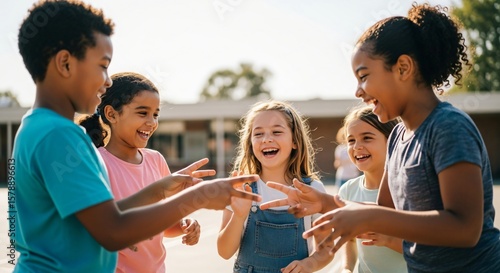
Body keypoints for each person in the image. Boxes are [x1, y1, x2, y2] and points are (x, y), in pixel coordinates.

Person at [12, 1, 260, 272]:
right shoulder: (59, 136)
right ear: (65, 63)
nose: (107, 81)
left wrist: (159, 190)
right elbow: (113, 231)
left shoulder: (37, 126)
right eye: (103, 66)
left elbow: (106, 216)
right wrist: (199, 196)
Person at [262, 3, 500, 272]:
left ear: (403, 68)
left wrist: (370, 215)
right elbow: (385, 212)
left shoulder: (448, 126)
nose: (358, 91)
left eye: (363, 76)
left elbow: (465, 229)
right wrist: (325, 203)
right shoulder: (399, 135)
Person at [78, 72, 206, 273]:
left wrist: (183, 224)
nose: (152, 122)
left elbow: (162, 225)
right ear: (112, 114)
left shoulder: (156, 160)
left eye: (155, 114)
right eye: (142, 112)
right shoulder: (95, 164)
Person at [217, 100, 332, 273]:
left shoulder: (313, 190)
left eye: (277, 132)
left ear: (295, 141)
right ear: (250, 143)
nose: (267, 139)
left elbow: (326, 249)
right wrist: (239, 216)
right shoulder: (240, 188)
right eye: (258, 134)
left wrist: (310, 264)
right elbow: (224, 252)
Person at [337, 105, 405, 273]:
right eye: (351, 140)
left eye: (367, 138)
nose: (357, 146)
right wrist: (347, 268)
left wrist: (389, 239)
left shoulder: (409, 190)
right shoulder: (347, 191)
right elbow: (350, 241)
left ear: (392, 142)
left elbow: (430, 249)